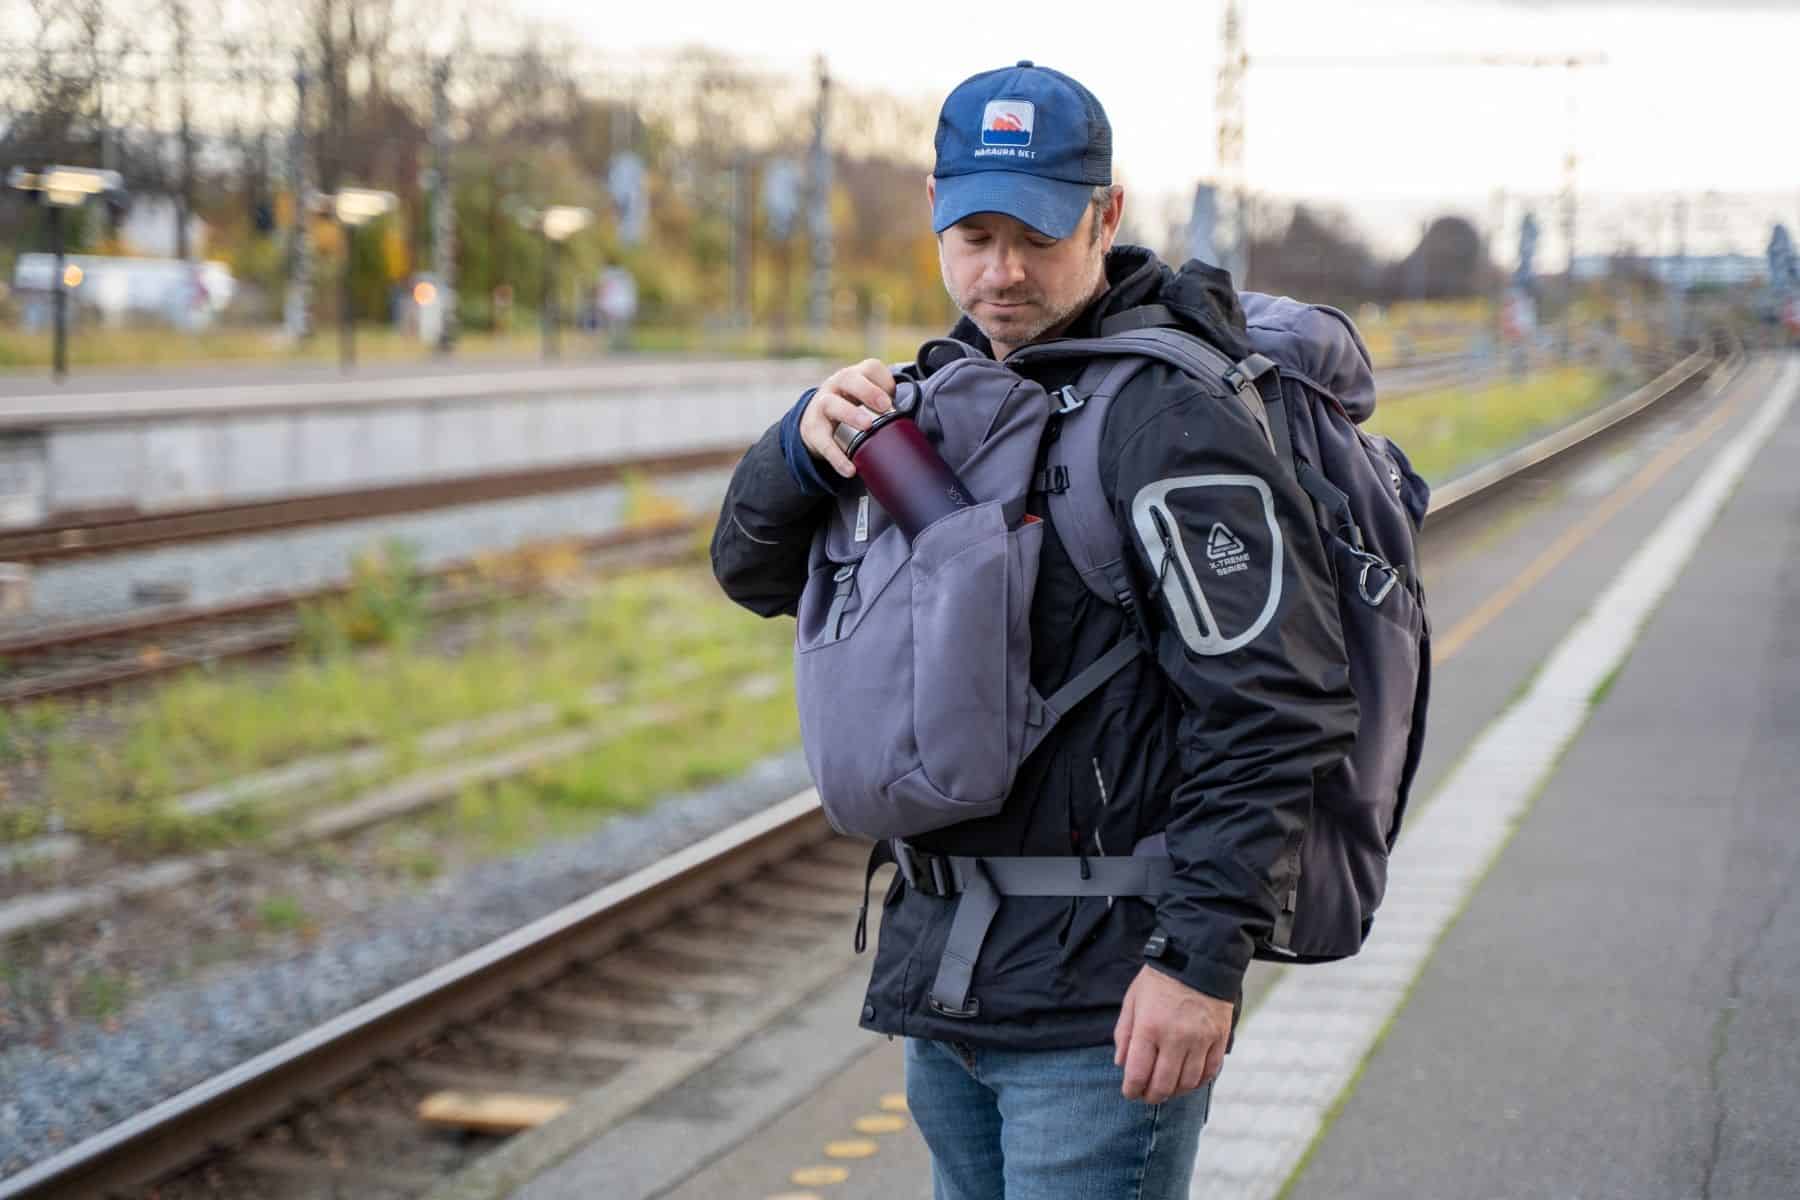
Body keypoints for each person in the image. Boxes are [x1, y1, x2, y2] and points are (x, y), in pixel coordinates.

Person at [711, 61, 1356, 1200]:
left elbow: (1277, 704)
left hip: (1102, 1010)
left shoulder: (1170, 421)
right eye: (975, 234)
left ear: (1106, 215)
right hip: (947, 986)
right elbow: (755, 575)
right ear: (933, 213)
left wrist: (1199, 962)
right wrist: (794, 448)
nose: (1001, 272)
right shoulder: (940, 397)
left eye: (1039, 236)